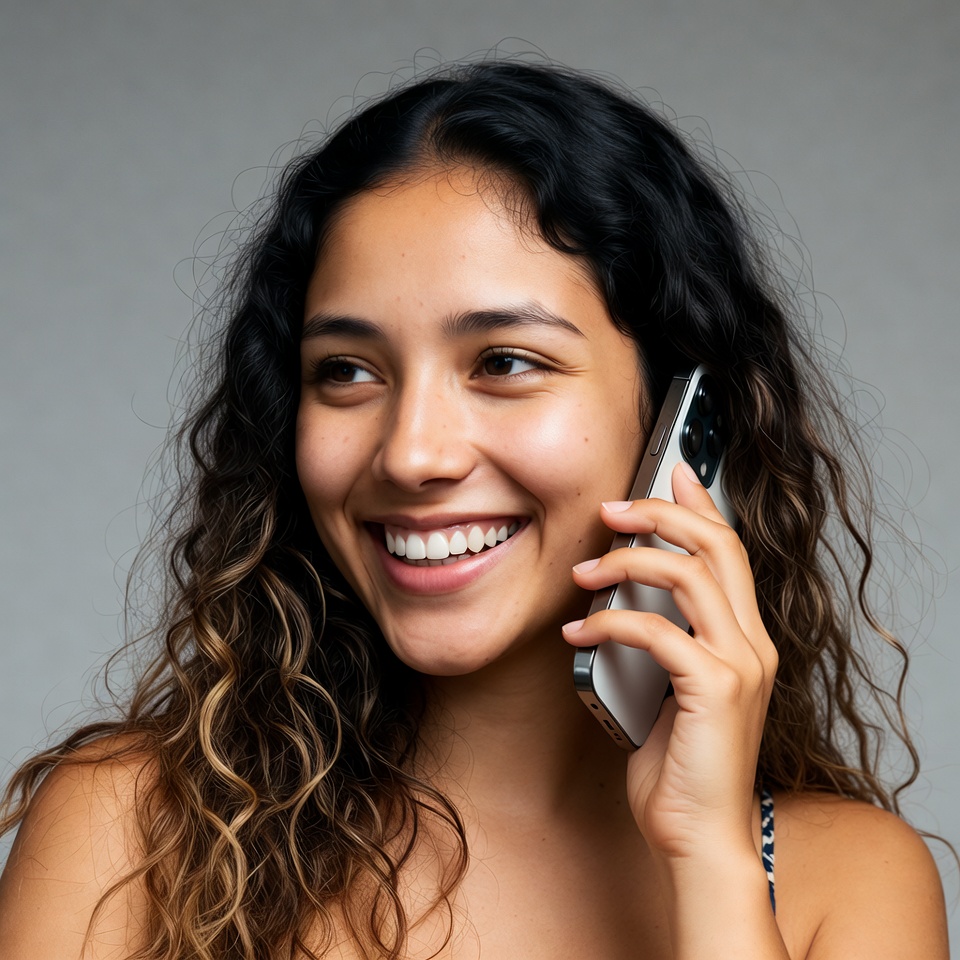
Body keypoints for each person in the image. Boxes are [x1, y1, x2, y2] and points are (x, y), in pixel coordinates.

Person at [0, 59, 949, 960]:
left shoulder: (848, 885)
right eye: (347, 371)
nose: (411, 454)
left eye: (504, 362)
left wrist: (711, 861)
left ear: (678, 420)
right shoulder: (132, 834)